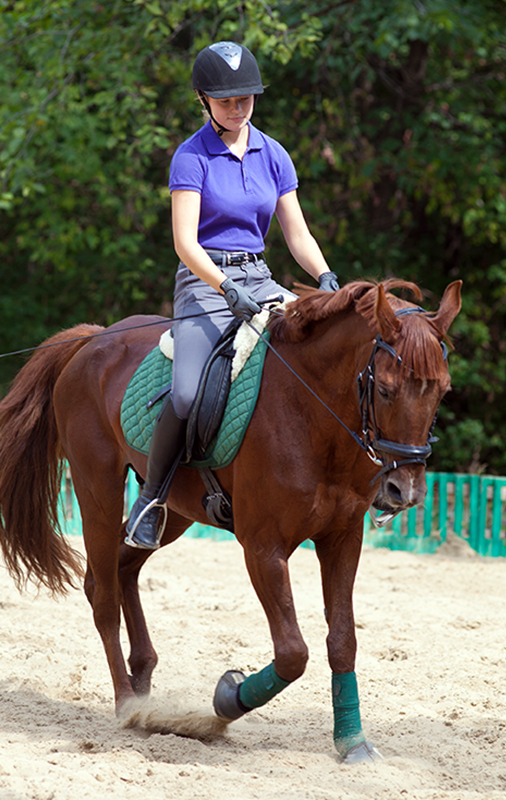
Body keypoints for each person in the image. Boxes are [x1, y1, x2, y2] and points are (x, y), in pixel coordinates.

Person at [125, 41, 339, 550]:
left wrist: (325, 275)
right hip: (204, 282)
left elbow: (297, 234)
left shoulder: (274, 153)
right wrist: (224, 287)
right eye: (226, 101)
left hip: (261, 278)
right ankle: (151, 500)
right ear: (204, 100)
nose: (238, 108)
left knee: (323, 355)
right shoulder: (191, 156)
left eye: (246, 98)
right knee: (185, 392)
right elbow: (185, 242)